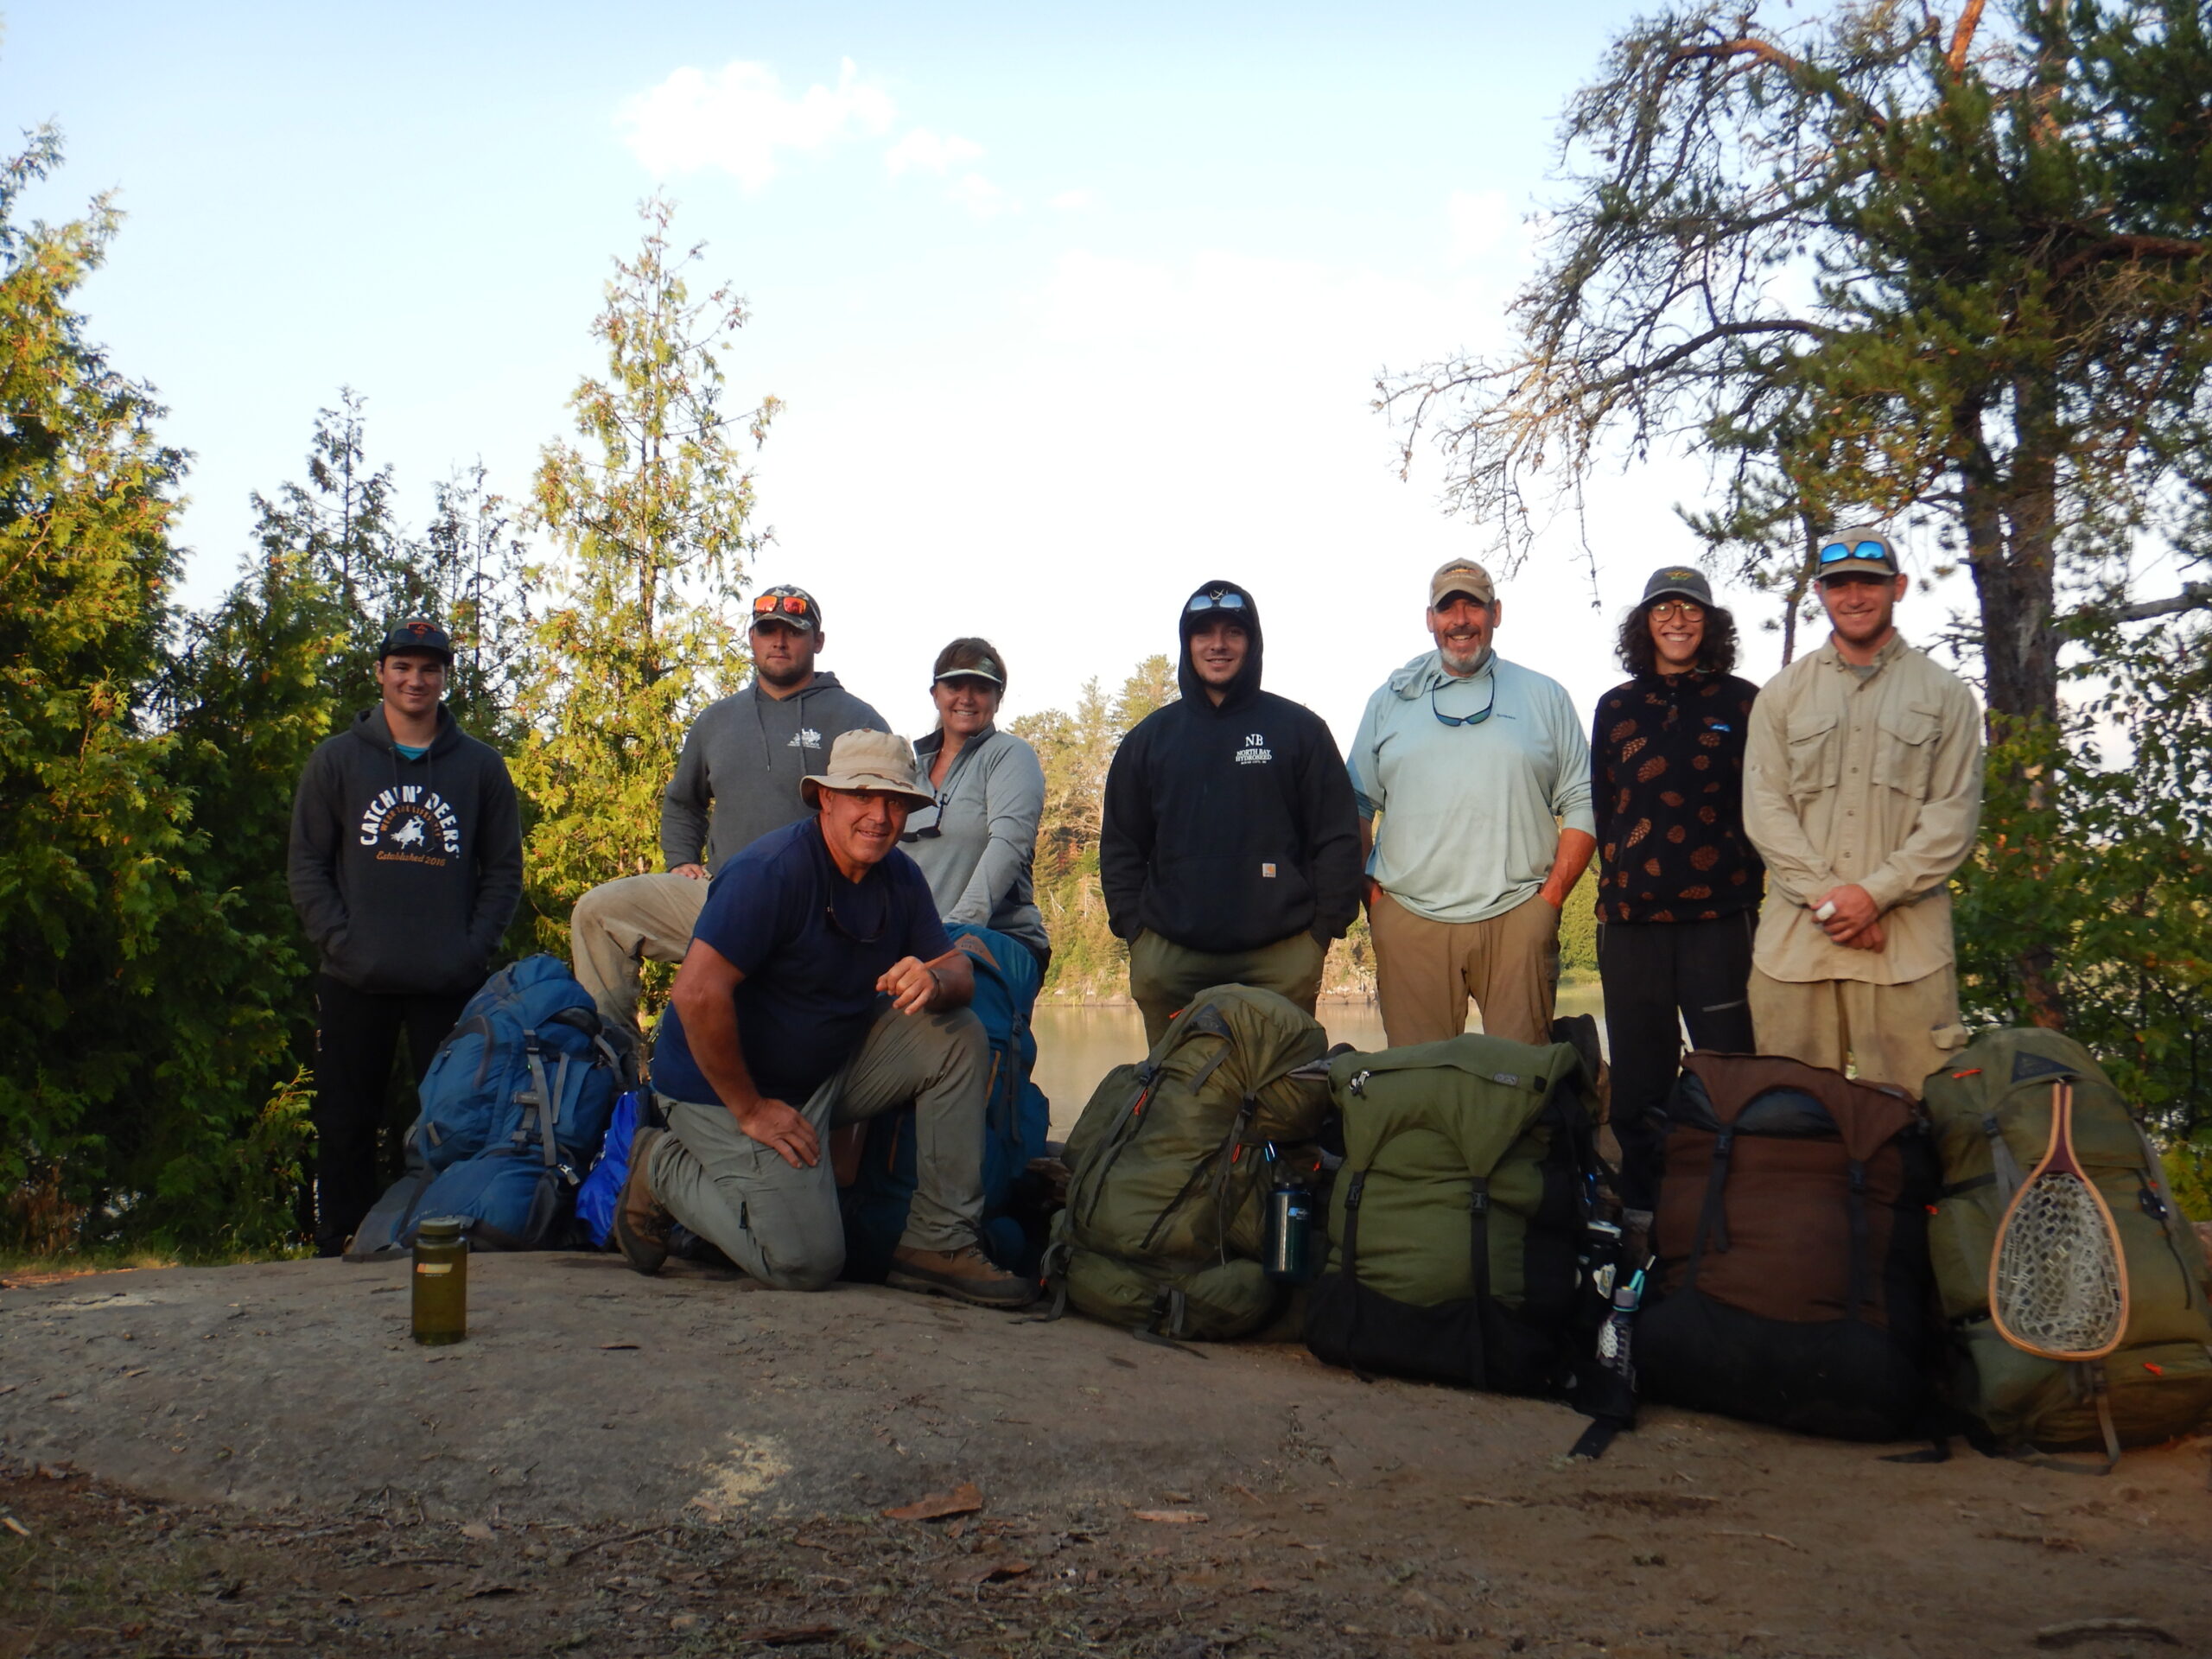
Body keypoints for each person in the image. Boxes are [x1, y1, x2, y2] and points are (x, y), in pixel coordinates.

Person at [613, 729, 1035, 1307]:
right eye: (862, 796)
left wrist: (934, 980)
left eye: (894, 802)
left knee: (957, 1031)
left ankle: (938, 1242)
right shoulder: (772, 871)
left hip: (826, 1072)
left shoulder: (899, 878)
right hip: (723, 1088)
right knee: (805, 1263)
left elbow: (958, 973)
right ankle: (659, 1167)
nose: (879, 817)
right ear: (826, 799)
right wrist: (751, 1109)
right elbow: (697, 996)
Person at [287, 620, 523, 1256]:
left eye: (429, 669)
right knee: (344, 1119)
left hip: (447, 981)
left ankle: (438, 1236)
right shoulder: (337, 760)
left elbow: (503, 871)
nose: (415, 680)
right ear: (381, 674)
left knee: (451, 1122)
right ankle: (341, 1240)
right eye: (403, 667)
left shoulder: (479, 767)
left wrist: (471, 950)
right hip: (354, 976)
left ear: (446, 678)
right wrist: (339, 941)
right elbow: (307, 864)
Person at [569, 585, 887, 1035]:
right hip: (721, 896)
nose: (779, 641)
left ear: (817, 641)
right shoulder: (716, 721)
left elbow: (888, 815)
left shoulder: (858, 719)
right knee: (599, 912)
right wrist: (681, 860)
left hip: (817, 907)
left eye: (794, 631)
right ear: (752, 639)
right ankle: (609, 1066)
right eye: (767, 630)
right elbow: (683, 801)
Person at [1742, 528, 1981, 1088]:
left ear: (1897, 587)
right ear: (1820, 594)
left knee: (1917, 1131)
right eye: (1839, 584)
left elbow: (1952, 819)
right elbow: (1764, 809)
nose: (1854, 596)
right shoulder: (1782, 694)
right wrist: (1833, 902)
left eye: (1869, 583)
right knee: (1791, 1128)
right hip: (1796, 954)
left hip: (1907, 956)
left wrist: (1873, 897)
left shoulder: (1945, 695)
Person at [1100, 580, 1363, 1047]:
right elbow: (1121, 844)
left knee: (1284, 1103)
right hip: (1170, 956)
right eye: (1204, 633)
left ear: (1252, 642)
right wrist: (1135, 934)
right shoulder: (1149, 740)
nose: (1218, 645)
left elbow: (1337, 837)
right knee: (1177, 1101)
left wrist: (1323, 932)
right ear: (1187, 644)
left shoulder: (1300, 731)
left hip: (1282, 956)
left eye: (1232, 632)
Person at [1349, 559, 1596, 1048]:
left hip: (1517, 918)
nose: (1460, 619)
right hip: (1410, 922)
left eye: (1473, 605)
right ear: (1430, 619)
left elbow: (1584, 799)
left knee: (1522, 1088)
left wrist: (1548, 903)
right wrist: (1375, 902)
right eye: (1447, 607)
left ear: (1496, 613)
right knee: (1420, 1089)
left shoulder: (1545, 696)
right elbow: (1354, 804)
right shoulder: (1389, 700)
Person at [1590, 566, 1764, 1219]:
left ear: (1709, 621)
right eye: (1663, 609)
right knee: (1639, 1081)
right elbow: (1606, 805)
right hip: (1632, 919)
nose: (1677, 620)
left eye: (1690, 609)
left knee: (1729, 1073)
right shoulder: (1617, 707)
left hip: (1719, 917)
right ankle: (1646, 1214)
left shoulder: (1744, 702)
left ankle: (1733, 1210)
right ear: (1645, 624)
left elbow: (1763, 802)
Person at [906, 639, 1051, 973]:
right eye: (955, 685)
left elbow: (1010, 844)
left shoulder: (1010, 755)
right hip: (917, 949)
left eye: (982, 688)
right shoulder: (909, 771)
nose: (967, 698)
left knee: (967, 1020)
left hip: (993, 941)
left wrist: (956, 929)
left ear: (998, 699)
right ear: (935, 694)